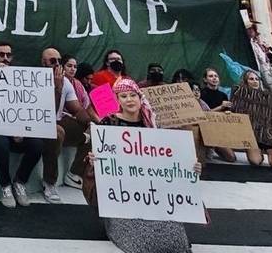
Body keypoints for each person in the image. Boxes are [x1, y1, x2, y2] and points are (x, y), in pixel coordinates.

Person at [82, 79, 193, 252]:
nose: (129, 99)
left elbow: (167, 162)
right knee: (142, 243)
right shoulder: (108, 123)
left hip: (152, 194)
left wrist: (190, 168)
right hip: (121, 195)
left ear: (140, 98)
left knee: (175, 240)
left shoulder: (153, 124)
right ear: (117, 100)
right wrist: (93, 159)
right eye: (123, 96)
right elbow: (99, 159)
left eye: (133, 95)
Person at [0, 43, 47, 208]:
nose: (5, 58)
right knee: (0, 143)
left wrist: (20, 128)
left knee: (37, 144)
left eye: (8, 55)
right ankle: (5, 185)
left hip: (18, 131)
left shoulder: (21, 77)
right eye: (1, 55)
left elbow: (27, 106)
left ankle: (20, 181)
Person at [40, 48, 90, 202]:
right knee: (58, 132)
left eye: (59, 61)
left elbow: (76, 108)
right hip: (39, 124)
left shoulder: (66, 81)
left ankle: (74, 173)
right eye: (52, 61)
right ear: (43, 63)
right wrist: (57, 88)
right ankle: (49, 182)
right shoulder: (35, 79)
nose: (57, 65)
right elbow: (49, 113)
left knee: (94, 132)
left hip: (57, 122)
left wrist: (90, 122)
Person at [237, 70, 272, 172]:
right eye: (251, 79)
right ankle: (257, 152)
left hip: (270, 137)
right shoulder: (240, 99)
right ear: (245, 82)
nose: (255, 81)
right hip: (253, 136)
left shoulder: (270, 97)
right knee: (255, 161)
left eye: (257, 79)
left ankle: (270, 151)